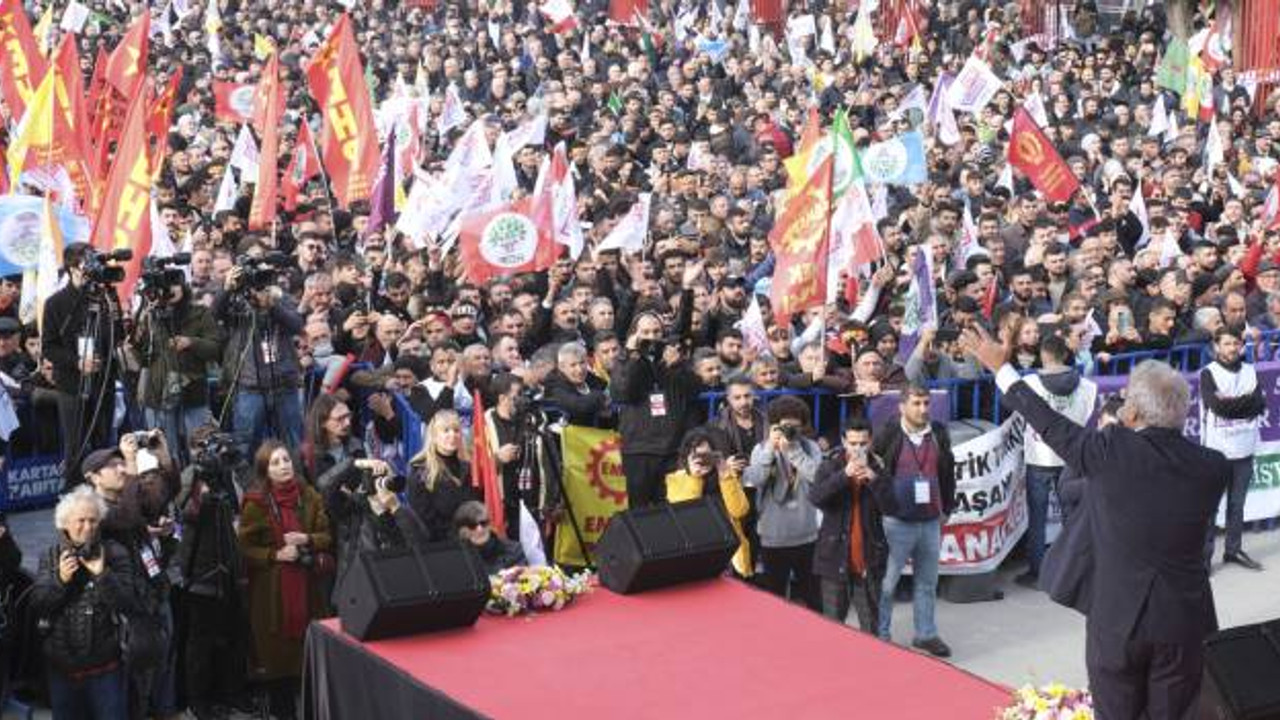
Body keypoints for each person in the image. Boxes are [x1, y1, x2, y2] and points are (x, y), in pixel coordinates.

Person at [962, 330, 1230, 720]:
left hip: (1118, 620)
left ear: (1133, 412)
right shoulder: (1214, 467)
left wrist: (1003, 370)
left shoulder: (1110, 451)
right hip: (1182, 620)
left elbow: (1050, 425)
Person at [29, 487, 145, 720]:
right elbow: (38, 605)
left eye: (93, 520)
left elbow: (129, 605)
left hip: (106, 670)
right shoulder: (51, 556)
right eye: (80, 520)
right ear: (65, 523)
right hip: (62, 671)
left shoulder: (115, 553)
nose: (88, 527)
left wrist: (102, 575)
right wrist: (60, 580)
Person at [237, 440, 333, 719]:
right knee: (279, 670)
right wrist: (275, 555)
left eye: (286, 460)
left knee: (309, 668)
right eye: (275, 462)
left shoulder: (310, 496)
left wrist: (307, 539)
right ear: (265, 470)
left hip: (309, 592)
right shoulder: (256, 503)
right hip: (272, 599)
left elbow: (328, 537)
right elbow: (244, 548)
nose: (283, 466)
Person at [870, 385, 955, 657]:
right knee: (886, 583)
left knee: (927, 582)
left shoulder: (939, 433)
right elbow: (875, 474)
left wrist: (947, 509)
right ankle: (881, 635)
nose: (923, 409)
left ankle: (926, 634)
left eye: (927, 403)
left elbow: (947, 472)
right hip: (896, 522)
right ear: (902, 406)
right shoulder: (888, 433)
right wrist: (883, 509)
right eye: (917, 403)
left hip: (930, 520)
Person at [1016, 335, 1098, 588]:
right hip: (1071, 457)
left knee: (1038, 519)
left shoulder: (1028, 382)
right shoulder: (1087, 386)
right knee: (1072, 518)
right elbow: (1086, 417)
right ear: (1065, 354)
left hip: (1039, 456)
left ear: (1044, 355)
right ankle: (1075, 571)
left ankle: (1038, 573)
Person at [41, 243, 122, 489]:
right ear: (73, 268)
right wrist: (77, 362)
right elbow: (49, 347)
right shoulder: (56, 303)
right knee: (76, 445)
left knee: (102, 443)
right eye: (86, 262)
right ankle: (75, 497)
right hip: (71, 385)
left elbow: (117, 334)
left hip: (103, 381)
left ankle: (105, 496)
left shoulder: (105, 295)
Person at [742, 396, 822, 610]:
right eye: (786, 427)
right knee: (776, 602)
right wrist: (770, 449)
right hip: (773, 535)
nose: (791, 433)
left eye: (796, 427)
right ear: (774, 425)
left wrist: (794, 452)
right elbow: (755, 479)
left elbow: (818, 477)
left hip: (807, 533)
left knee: (814, 598)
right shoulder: (761, 448)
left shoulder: (810, 447)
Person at [810, 418, 887, 633]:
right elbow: (815, 497)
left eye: (863, 443)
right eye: (853, 443)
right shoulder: (830, 466)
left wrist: (875, 480)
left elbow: (892, 507)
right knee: (834, 627)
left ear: (870, 441)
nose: (858, 449)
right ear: (844, 442)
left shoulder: (879, 466)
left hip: (868, 559)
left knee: (871, 627)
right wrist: (844, 475)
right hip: (834, 559)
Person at [1199, 327, 1266, 571]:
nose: (1232, 348)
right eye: (1226, 344)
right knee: (1210, 507)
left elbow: (1259, 403)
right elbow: (1217, 407)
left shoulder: (1250, 371)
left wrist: (1235, 403)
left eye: (1236, 343)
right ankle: (1203, 559)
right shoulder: (1209, 373)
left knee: (1237, 505)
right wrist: (1243, 403)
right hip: (1216, 452)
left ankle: (1233, 550)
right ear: (1217, 346)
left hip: (1244, 449)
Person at [665, 428, 752, 578]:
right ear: (686, 457)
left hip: (727, 553)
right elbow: (684, 515)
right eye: (697, 456)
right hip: (695, 551)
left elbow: (740, 511)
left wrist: (725, 476)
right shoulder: (676, 479)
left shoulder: (726, 476)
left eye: (707, 455)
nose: (703, 460)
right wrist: (694, 477)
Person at [407, 410, 477, 541]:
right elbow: (423, 519)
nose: (453, 435)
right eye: (446, 430)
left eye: (456, 430)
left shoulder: (467, 467)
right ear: (434, 435)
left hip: (470, 541)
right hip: (439, 547)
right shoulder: (419, 469)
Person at [453, 501, 524, 574]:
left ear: (490, 524)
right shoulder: (455, 560)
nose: (480, 529)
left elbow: (525, 581)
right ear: (462, 532)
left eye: (483, 523)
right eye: (472, 525)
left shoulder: (514, 550)